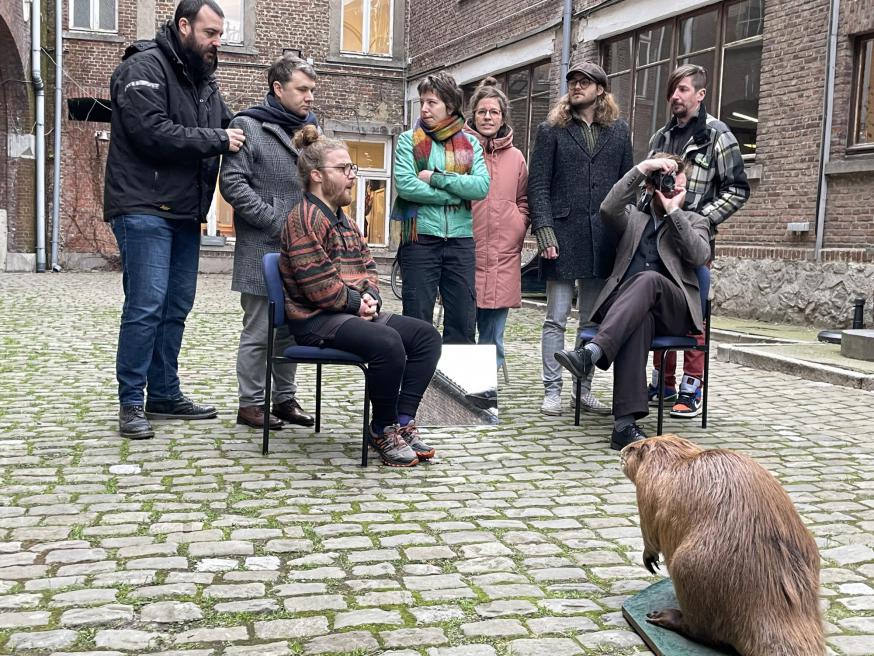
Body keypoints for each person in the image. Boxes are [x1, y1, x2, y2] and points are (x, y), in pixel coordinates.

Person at [104, 0, 242, 439]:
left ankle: (163, 393)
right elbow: (153, 133)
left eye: (220, 34)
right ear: (183, 26)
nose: (216, 42)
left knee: (176, 307)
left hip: (184, 212)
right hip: (142, 207)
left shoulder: (205, 81)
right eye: (209, 33)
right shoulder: (143, 68)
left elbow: (234, 124)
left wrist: (280, 119)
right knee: (145, 305)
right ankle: (131, 402)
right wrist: (220, 139)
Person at [279, 126, 443, 467]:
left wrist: (371, 298)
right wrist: (359, 304)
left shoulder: (347, 222)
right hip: (315, 320)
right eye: (343, 169)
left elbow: (368, 267)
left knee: (426, 336)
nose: (352, 176)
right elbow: (317, 285)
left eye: (351, 168)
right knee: (386, 342)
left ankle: (401, 421)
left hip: (351, 314)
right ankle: (381, 429)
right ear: (317, 176)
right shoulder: (302, 219)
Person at [554, 154, 711, 451]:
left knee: (648, 280)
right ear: (652, 186)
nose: (675, 190)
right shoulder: (632, 219)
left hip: (674, 309)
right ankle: (624, 427)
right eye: (668, 184)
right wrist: (642, 169)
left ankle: (593, 352)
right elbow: (607, 207)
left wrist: (674, 213)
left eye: (680, 186)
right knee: (639, 322)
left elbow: (699, 256)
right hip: (630, 312)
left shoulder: (694, 220)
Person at [528, 62, 633, 417]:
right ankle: (552, 389)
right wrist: (544, 232)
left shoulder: (619, 132)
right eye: (572, 81)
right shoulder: (551, 130)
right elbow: (538, 185)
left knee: (591, 322)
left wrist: (623, 235)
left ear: (600, 89)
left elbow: (627, 187)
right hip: (561, 236)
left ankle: (582, 389)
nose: (576, 86)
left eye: (585, 82)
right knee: (555, 318)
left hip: (602, 238)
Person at [220, 54, 318, 431]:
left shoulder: (311, 128)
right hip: (262, 245)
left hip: (302, 250)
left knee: (291, 327)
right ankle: (251, 403)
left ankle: (283, 399)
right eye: (302, 89)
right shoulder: (249, 125)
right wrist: (277, 220)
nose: (309, 97)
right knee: (259, 330)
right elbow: (232, 184)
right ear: (278, 88)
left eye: (312, 90)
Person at [646, 64, 750, 419]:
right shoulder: (660, 138)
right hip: (660, 240)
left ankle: (691, 388)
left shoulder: (717, 135)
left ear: (700, 94)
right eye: (673, 90)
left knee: (694, 313)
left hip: (694, 244)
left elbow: (737, 189)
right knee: (660, 309)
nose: (676, 96)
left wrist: (701, 220)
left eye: (684, 90)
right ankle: (663, 382)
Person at [392, 72, 490, 344]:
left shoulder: (471, 143)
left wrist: (437, 178)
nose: (424, 108)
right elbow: (407, 185)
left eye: (431, 102)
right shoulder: (407, 141)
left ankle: (460, 387)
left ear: (449, 105)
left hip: (460, 240)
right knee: (417, 319)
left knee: (463, 320)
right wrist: (454, 195)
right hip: (420, 239)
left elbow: (481, 186)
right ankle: (416, 385)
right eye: (422, 101)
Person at [463, 78, 529, 370]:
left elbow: (524, 198)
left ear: (503, 117)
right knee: (461, 335)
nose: (488, 117)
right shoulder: (460, 150)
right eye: (482, 111)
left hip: (503, 256)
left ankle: (486, 403)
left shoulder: (516, 157)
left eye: (494, 112)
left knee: (494, 340)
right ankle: (458, 403)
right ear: (473, 115)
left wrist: (518, 223)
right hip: (465, 255)